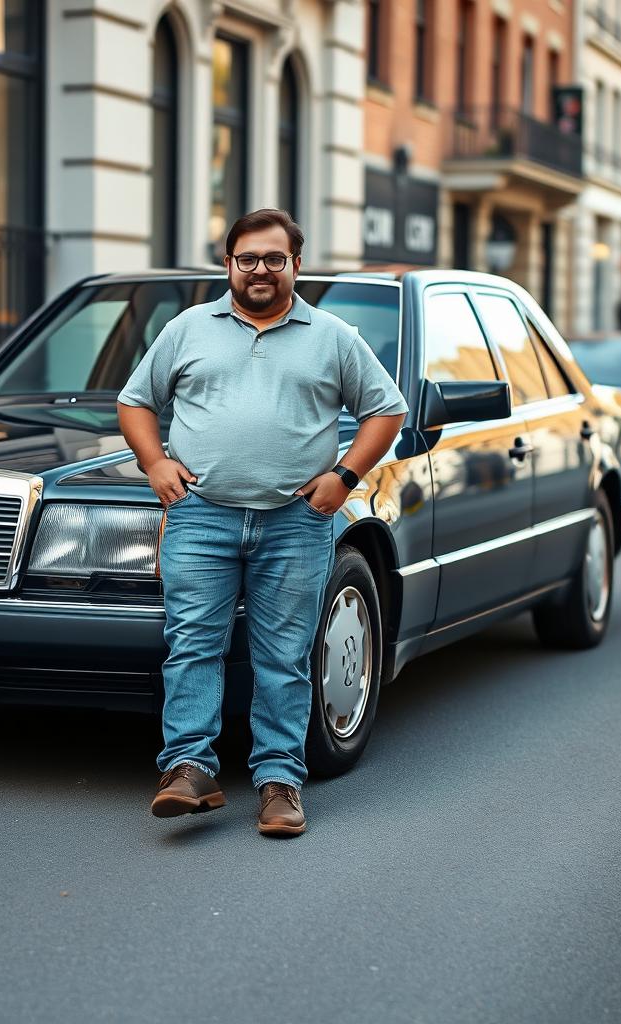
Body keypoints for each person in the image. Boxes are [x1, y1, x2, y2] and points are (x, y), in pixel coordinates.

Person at [116, 209, 407, 837]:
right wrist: (155, 463)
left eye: (275, 259)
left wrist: (345, 478)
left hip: (295, 523)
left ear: (296, 266)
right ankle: (188, 771)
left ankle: (279, 783)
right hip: (200, 516)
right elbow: (135, 400)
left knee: (284, 657)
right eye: (248, 258)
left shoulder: (331, 336)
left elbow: (386, 410)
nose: (260, 270)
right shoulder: (189, 328)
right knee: (193, 644)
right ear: (228, 264)